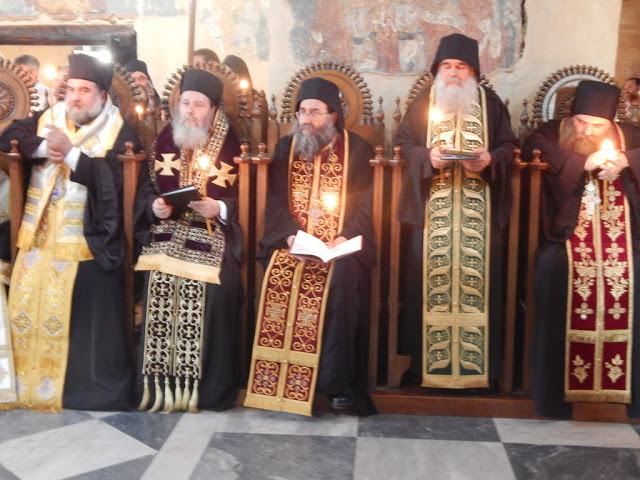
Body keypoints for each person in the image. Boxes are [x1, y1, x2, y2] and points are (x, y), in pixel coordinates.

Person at [0, 53, 138, 411]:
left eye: (85, 90)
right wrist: (45, 148)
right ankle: (25, 384)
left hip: (88, 239)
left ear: (103, 95)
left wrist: (73, 156)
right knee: (25, 281)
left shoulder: (120, 131)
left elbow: (116, 183)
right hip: (39, 236)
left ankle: (77, 390)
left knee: (95, 284)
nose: (75, 98)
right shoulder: (49, 118)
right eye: (71, 89)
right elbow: (10, 135)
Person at [244, 77, 378, 417]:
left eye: (314, 112)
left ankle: (336, 385)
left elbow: (365, 204)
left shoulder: (357, 150)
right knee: (280, 269)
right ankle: (282, 380)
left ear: (333, 116)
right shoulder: (285, 148)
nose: (306, 119)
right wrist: (290, 236)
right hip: (293, 243)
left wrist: (344, 237)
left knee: (342, 279)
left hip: (340, 245)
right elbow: (276, 202)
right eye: (302, 112)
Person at [394, 33, 517, 389]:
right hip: (430, 215)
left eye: (461, 66)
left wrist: (490, 158)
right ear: (437, 70)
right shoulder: (424, 100)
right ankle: (422, 368)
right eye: (446, 66)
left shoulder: (490, 103)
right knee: (423, 287)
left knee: (481, 286)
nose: (452, 73)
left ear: (473, 71)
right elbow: (402, 144)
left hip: (481, 217)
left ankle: (482, 372)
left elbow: (510, 146)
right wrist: (427, 157)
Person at [523, 80, 640, 419]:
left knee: (636, 276)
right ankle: (553, 397)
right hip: (565, 237)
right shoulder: (551, 131)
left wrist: (626, 160)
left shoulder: (630, 135)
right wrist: (582, 163)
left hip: (625, 242)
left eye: (596, 125)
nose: (586, 130)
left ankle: (629, 397)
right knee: (552, 269)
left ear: (611, 123)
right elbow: (533, 146)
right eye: (580, 122)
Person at [133, 68, 243, 412]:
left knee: (214, 286)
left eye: (198, 104)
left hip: (213, 233)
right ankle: (159, 384)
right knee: (158, 276)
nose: (190, 111)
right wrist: (153, 206)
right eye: (185, 103)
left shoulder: (232, 142)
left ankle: (206, 389)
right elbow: (146, 186)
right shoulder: (165, 139)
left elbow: (249, 195)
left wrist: (219, 207)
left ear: (213, 109)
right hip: (167, 231)